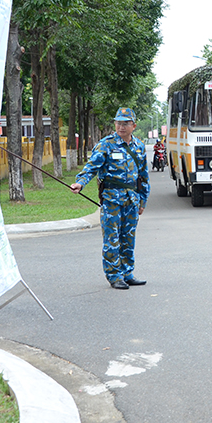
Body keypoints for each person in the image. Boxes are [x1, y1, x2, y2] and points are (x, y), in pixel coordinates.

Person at [71, 107, 150, 290]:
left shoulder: (138, 146)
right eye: (118, 123)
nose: (121, 127)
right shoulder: (106, 144)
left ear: (134, 126)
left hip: (131, 200)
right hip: (112, 200)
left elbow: (143, 176)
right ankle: (114, 275)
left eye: (125, 123)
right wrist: (80, 183)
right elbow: (91, 166)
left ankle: (127, 273)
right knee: (112, 239)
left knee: (128, 238)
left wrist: (142, 201)